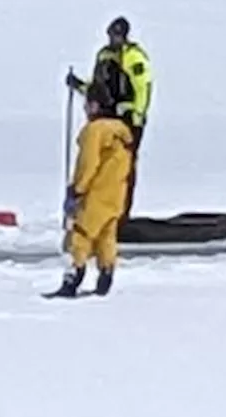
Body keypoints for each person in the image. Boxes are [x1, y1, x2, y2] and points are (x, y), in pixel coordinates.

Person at [48, 80, 134, 298]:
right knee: (106, 236)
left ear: (95, 105)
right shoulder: (121, 132)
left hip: (95, 195)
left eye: (87, 104)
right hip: (116, 195)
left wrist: (77, 189)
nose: (85, 109)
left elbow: (88, 164)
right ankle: (106, 275)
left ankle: (72, 279)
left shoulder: (94, 131)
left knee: (79, 236)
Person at [65, 15, 152, 220]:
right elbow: (98, 87)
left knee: (122, 168)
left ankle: (121, 215)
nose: (114, 39)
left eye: (117, 35)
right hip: (105, 118)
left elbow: (143, 88)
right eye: (111, 35)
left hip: (127, 120)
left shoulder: (134, 57)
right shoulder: (104, 56)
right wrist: (79, 86)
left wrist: (136, 113)